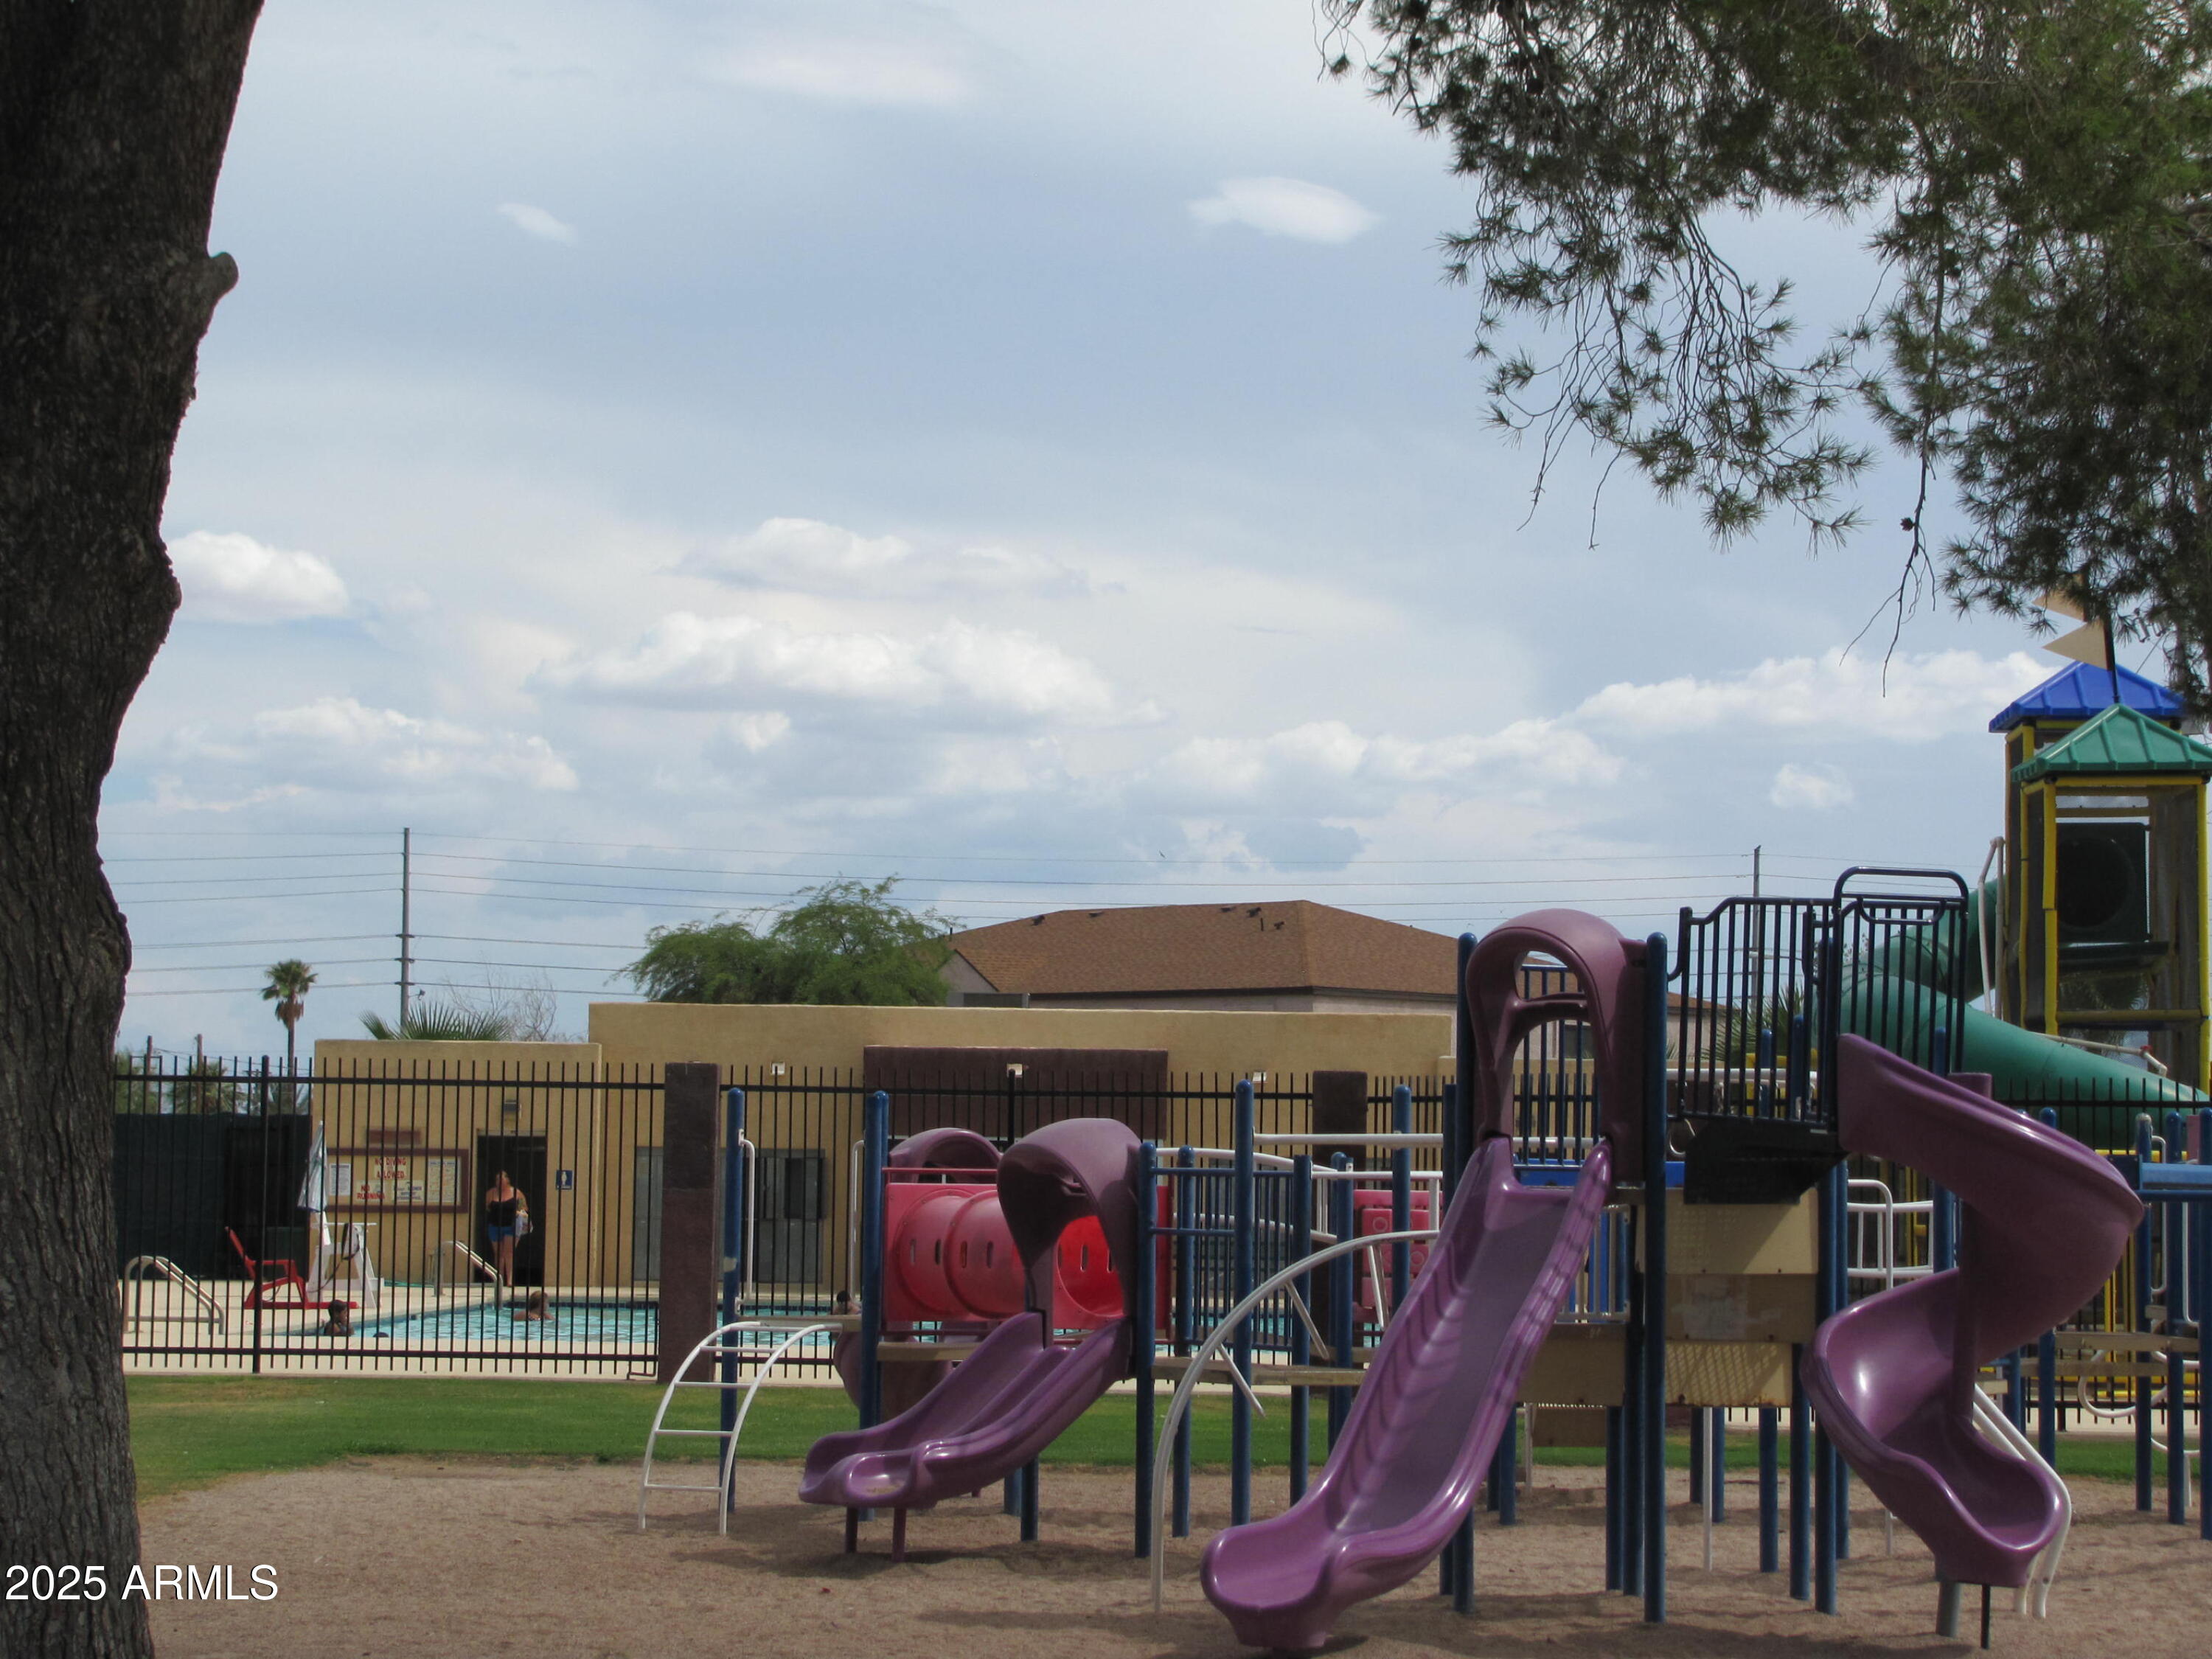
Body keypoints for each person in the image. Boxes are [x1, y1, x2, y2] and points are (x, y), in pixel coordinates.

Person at [484, 1171, 529, 1287]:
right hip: (494, 1225)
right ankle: (500, 1278)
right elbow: (488, 1207)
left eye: (502, 1179)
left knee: (508, 1253)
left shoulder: (516, 1193)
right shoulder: (491, 1193)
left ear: (507, 1180)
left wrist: (518, 1212)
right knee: (498, 1253)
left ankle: (509, 1280)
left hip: (510, 1226)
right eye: (497, 1180)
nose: (499, 1182)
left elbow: (524, 1207)